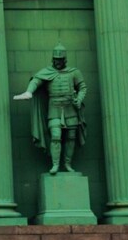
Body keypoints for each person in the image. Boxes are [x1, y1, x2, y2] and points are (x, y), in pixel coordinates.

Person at [13, 43, 87, 175]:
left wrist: (79, 99)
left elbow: (82, 87)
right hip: (54, 109)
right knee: (56, 136)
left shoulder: (74, 72)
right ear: (52, 59)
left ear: (65, 60)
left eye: (60, 60)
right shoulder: (47, 72)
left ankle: (68, 163)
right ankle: (55, 165)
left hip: (70, 108)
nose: (57, 62)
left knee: (71, 137)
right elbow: (36, 80)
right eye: (55, 60)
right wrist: (29, 92)